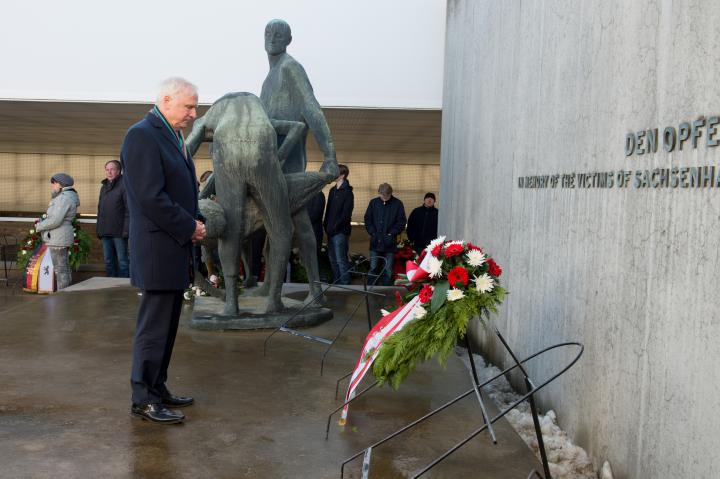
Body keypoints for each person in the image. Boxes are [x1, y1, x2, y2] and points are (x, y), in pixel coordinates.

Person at [121, 77, 206, 424]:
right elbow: (150, 197)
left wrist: (195, 220)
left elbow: (184, 191)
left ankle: (158, 387)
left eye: (195, 107)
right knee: (154, 328)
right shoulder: (142, 134)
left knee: (168, 326)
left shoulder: (173, 136)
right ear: (166, 100)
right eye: (188, 106)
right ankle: (143, 398)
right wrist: (189, 226)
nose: (193, 113)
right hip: (158, 249)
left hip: (173, 248)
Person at [260, 18, 339, 304]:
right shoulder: (268, 80)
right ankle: (271, 285)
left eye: (279, 33)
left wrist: (330, 155)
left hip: (288, 166)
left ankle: (315, 289)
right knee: (274, 228)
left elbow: (312, 110)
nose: (273, 36)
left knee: (300, 223)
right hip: (270, 166)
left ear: (288, 39)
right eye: (268, 32)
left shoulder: (291, 68)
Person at [35, 173, 80, 291]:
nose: (52, 186)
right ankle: (67, 295)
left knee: (60, 269)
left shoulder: (63, 198)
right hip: (60, 235)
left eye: (54, 183)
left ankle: (63, 297)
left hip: (59, 237)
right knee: (64, 268)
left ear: (60, 184)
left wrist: (40, 226)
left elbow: (55, 220)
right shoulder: (65, 196)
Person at [364, 183, 406, 286]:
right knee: (373, 267)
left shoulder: (398, 204)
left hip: (389, 243)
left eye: (386, 196)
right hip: (375, 241)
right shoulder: (373, 203)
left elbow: (401, 221)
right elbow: (367, 219)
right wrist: (372, 232)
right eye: (381, 195)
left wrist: (391, 233)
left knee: (388, 269)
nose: (384, 198)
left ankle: (386, 290)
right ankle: (371, 289)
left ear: (391, 193)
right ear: (379, 193)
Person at [96, 160, 129, 277]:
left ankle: (125, 288)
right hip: (105, 231)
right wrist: (99, 230)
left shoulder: (124, 185)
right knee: (109, 262)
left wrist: (126, 231)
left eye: (112, 169)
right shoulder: (103, 187)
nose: (109, 172)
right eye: (107, 169)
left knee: (123, 262)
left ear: (119, 171)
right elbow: (100, 210)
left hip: (119, 232)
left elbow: (128, 210)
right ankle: (110, 288)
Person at [323, 164, 354, 284]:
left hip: (340, 232)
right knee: (332, 259)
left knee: (341, 259)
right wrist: (326, 225)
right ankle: (336, 282)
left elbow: (346, 215)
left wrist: (335, 227)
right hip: (330, 231)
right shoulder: (332, 190)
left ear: (342, 175)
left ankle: (345, 283)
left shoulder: (348, 193)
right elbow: (328, 210)